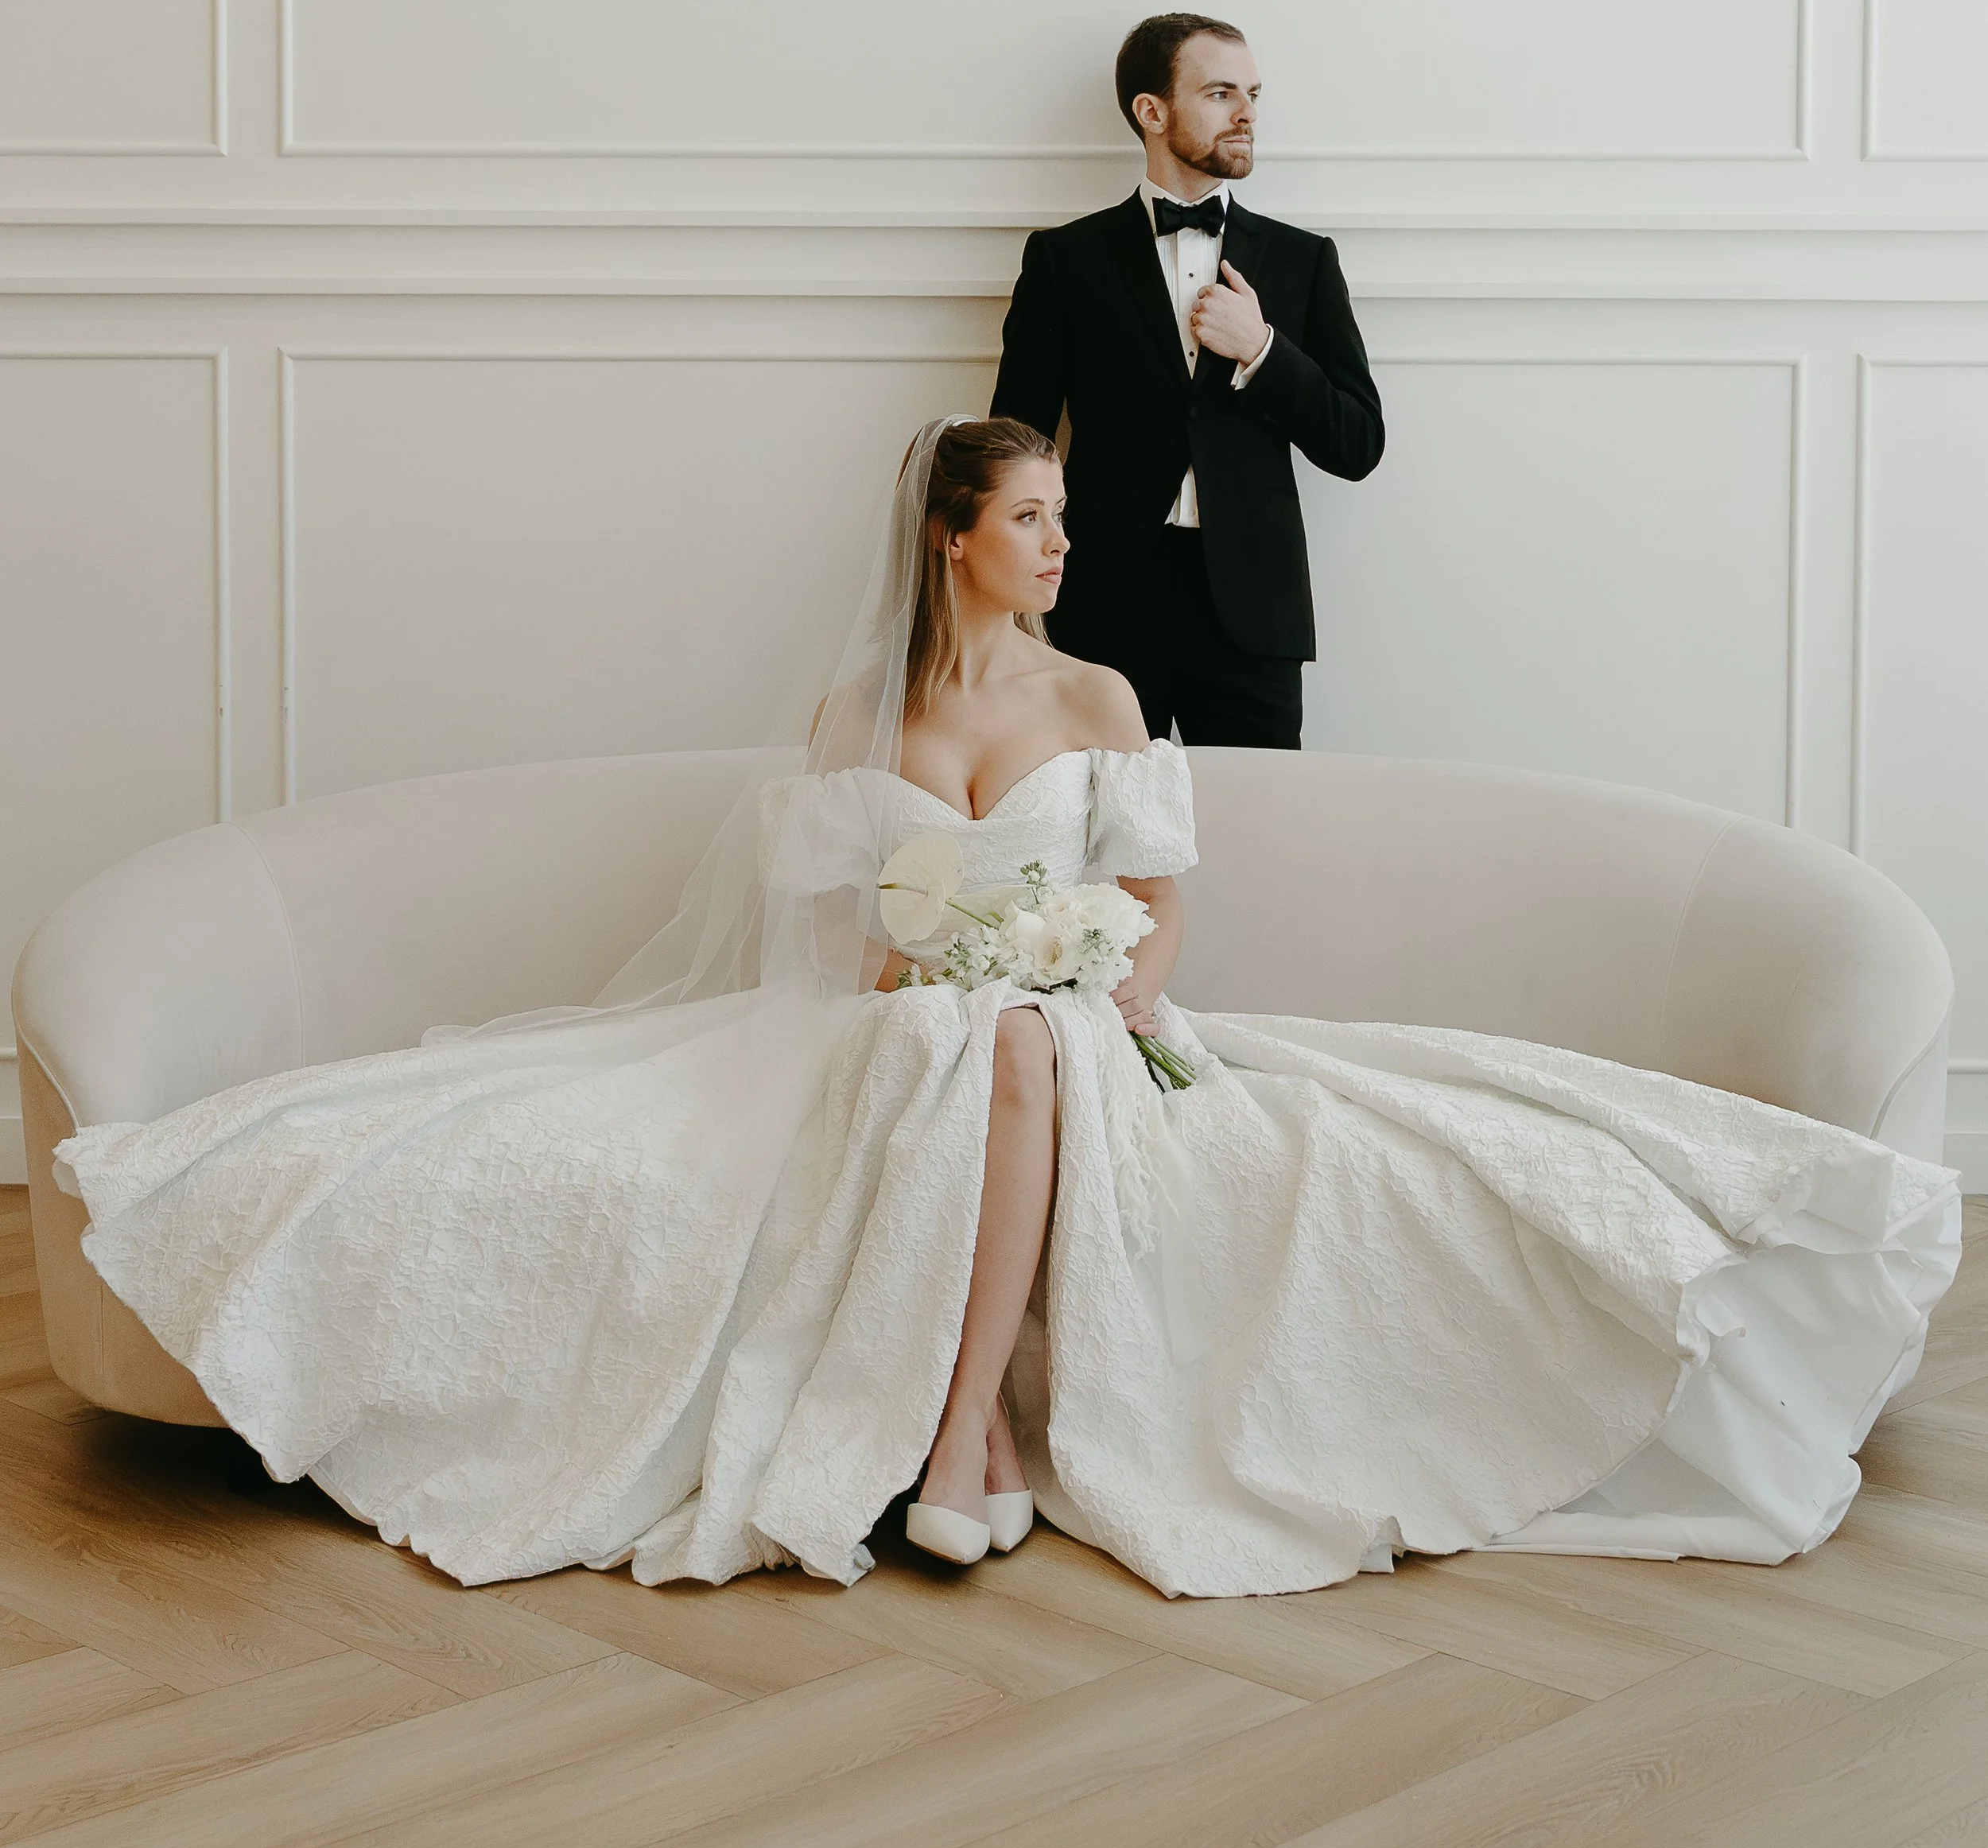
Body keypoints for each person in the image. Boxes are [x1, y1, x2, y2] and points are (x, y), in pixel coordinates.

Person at [58, 419, 1957, 1594]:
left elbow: (1160, 911)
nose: (1065, 544)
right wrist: (922, 971)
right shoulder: (855, 723)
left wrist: (1087, 978)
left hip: (1088, 1025)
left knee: (1040, 1040)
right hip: (882, 1040)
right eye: (1037, 518)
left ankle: (961, 1430)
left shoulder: (1103, 700)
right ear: (959, 534)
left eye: (1062, 518)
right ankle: (957, 1442)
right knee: (971, 1041)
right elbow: (816, 944)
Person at [991, 13, 1384, 749]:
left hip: (1252, 613)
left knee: (1254, 837)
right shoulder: (1065, 261)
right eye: (1221, 93)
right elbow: (1017, 445)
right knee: (1089, 840)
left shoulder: (1305, 261)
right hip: (1099, 602)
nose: (1247, 115)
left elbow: (1358, 441)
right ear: (1152, 110)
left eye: (1255, 95)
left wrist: (1263, 350)